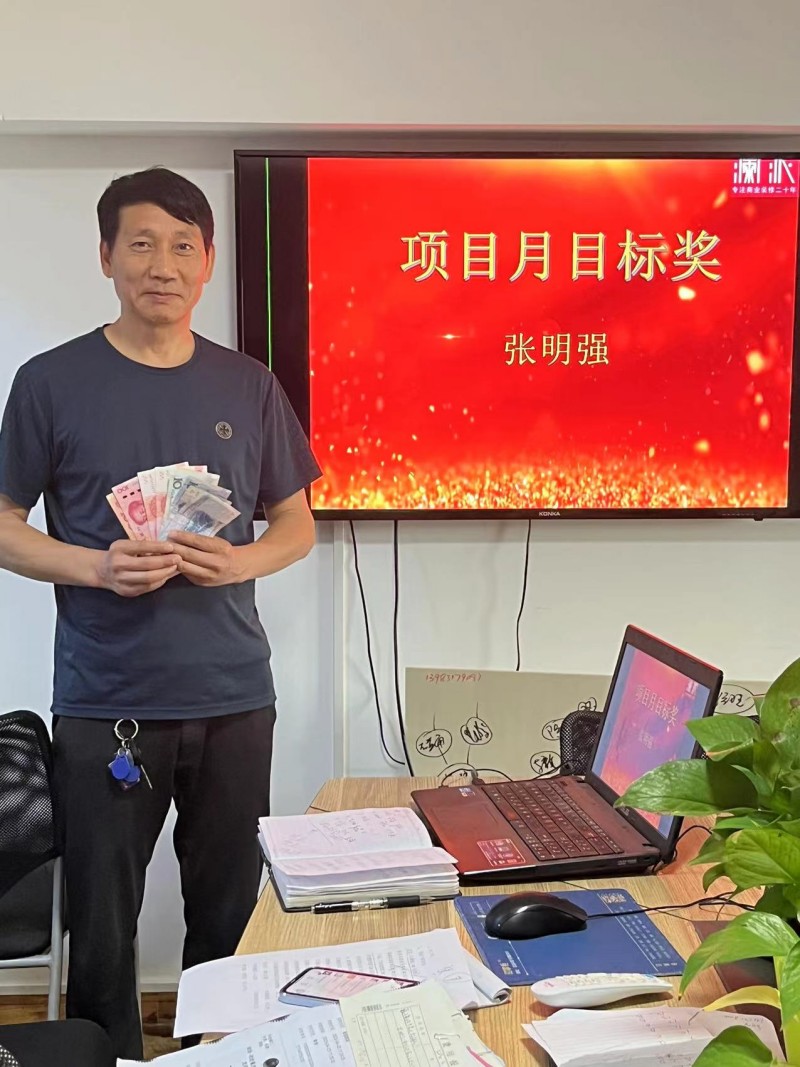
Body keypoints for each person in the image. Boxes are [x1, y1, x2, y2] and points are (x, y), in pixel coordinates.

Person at [0, 167, 322, 1059]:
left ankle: (219, 1051)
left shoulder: (248, 385)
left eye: (184, 246)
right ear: (106, 256)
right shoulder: (50, 381)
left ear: (208, 262)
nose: (163, 265)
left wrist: (241, 559)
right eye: (141, 243)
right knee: (103, 928)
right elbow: (4, 524)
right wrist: (97, 566)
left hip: (234, 697)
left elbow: (296, 523)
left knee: (228, 912)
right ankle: (107, 1053)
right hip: (106, 701)